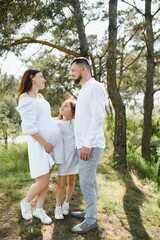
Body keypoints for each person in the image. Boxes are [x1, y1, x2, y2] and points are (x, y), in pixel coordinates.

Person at [16, 69, 64, 224]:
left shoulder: (40, 96)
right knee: (42, 181)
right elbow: (28, 128)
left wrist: (63, 119)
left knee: (47, 179)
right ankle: (26, 202)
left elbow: (45, 119)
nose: (44, 79)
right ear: (32, 77)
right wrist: (45, 144)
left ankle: (39, 210)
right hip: (40, 145)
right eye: (41, 76)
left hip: (51, 145)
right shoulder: (25, 98)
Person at [70, 57, 107, 233]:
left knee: (85, 182)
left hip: (89, 145)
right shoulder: (84, 89)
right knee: (89, 181)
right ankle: (89, 211)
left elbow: (98, 117)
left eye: (73, 71)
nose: (72, 74)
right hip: (83, 144)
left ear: (83, 69)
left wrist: (87, 144)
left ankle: (91, 220)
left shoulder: (95, 87)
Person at [54, 99, 79, 220]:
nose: (62, 107)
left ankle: (66, 203)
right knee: (61, 184)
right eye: (62, 105)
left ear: (73, 112)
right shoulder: (56, 123)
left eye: (66, 106)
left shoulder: (75, 123)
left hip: (73, 157)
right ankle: (57, 208)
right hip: (62, 158)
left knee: (71, 182)